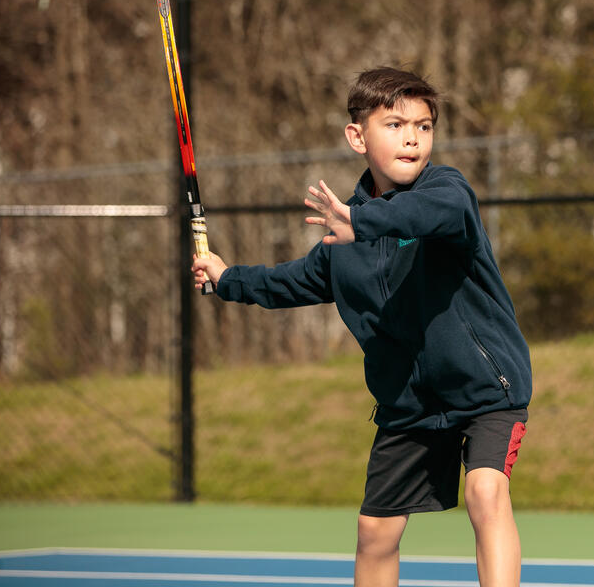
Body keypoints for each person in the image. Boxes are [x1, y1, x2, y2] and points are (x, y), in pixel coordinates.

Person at [192, 66, 532, 587]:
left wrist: (362, 222)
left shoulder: (447, 192)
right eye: (395, 124)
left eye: (424, 125)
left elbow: (431, 213)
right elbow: (287, 282)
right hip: (408, 406)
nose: (412, 137)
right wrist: (226, 278)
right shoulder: (341, 247)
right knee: (374, 532)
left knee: (486, 493)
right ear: (357, 136)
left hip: (486, 390)